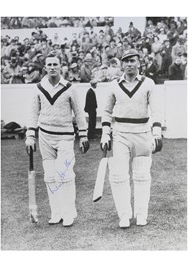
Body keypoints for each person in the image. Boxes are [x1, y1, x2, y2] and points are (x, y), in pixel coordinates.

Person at [100, 49, 163, 228]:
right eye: (126, 61)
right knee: (118, 175)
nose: (129, 64)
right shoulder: (113, 85)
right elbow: (106, 111)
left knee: (142, 176)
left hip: (143, 133)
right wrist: (105, 133)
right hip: (120, 134)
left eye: (132, 61)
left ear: (139, 63)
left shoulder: (148, 83)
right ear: (122, 64)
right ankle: (124, 215)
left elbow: (156, 109)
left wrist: (156, 133)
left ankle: (141, 214)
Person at [25, 55, 90, 227]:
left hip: (65, 136)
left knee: (65, 175)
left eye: (55, 64)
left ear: (61, 67)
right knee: (50, 177)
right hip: (45, 137)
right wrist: (30, 135)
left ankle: (68, 213)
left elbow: (79, 113)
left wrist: (83, 135)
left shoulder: (70, 88)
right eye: (49, 65)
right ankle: (56, 212)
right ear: (45, 68)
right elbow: (33, 113)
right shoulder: (39, 88)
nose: (52, 67)